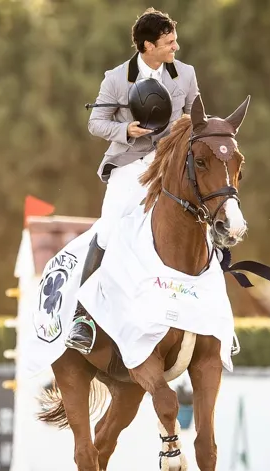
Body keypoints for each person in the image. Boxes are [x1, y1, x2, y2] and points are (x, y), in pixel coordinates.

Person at [65, 8, 200, 354]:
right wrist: (125, 129)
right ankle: (82, 319)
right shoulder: (115, 78)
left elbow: (195, 119)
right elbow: (96, 122)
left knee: (202, 224)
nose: (176, 47)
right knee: (108, 231)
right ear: (147, 46)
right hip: (129, 166)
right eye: (169, 43)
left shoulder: (185, 75)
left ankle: (212, 318)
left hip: (169, 167)